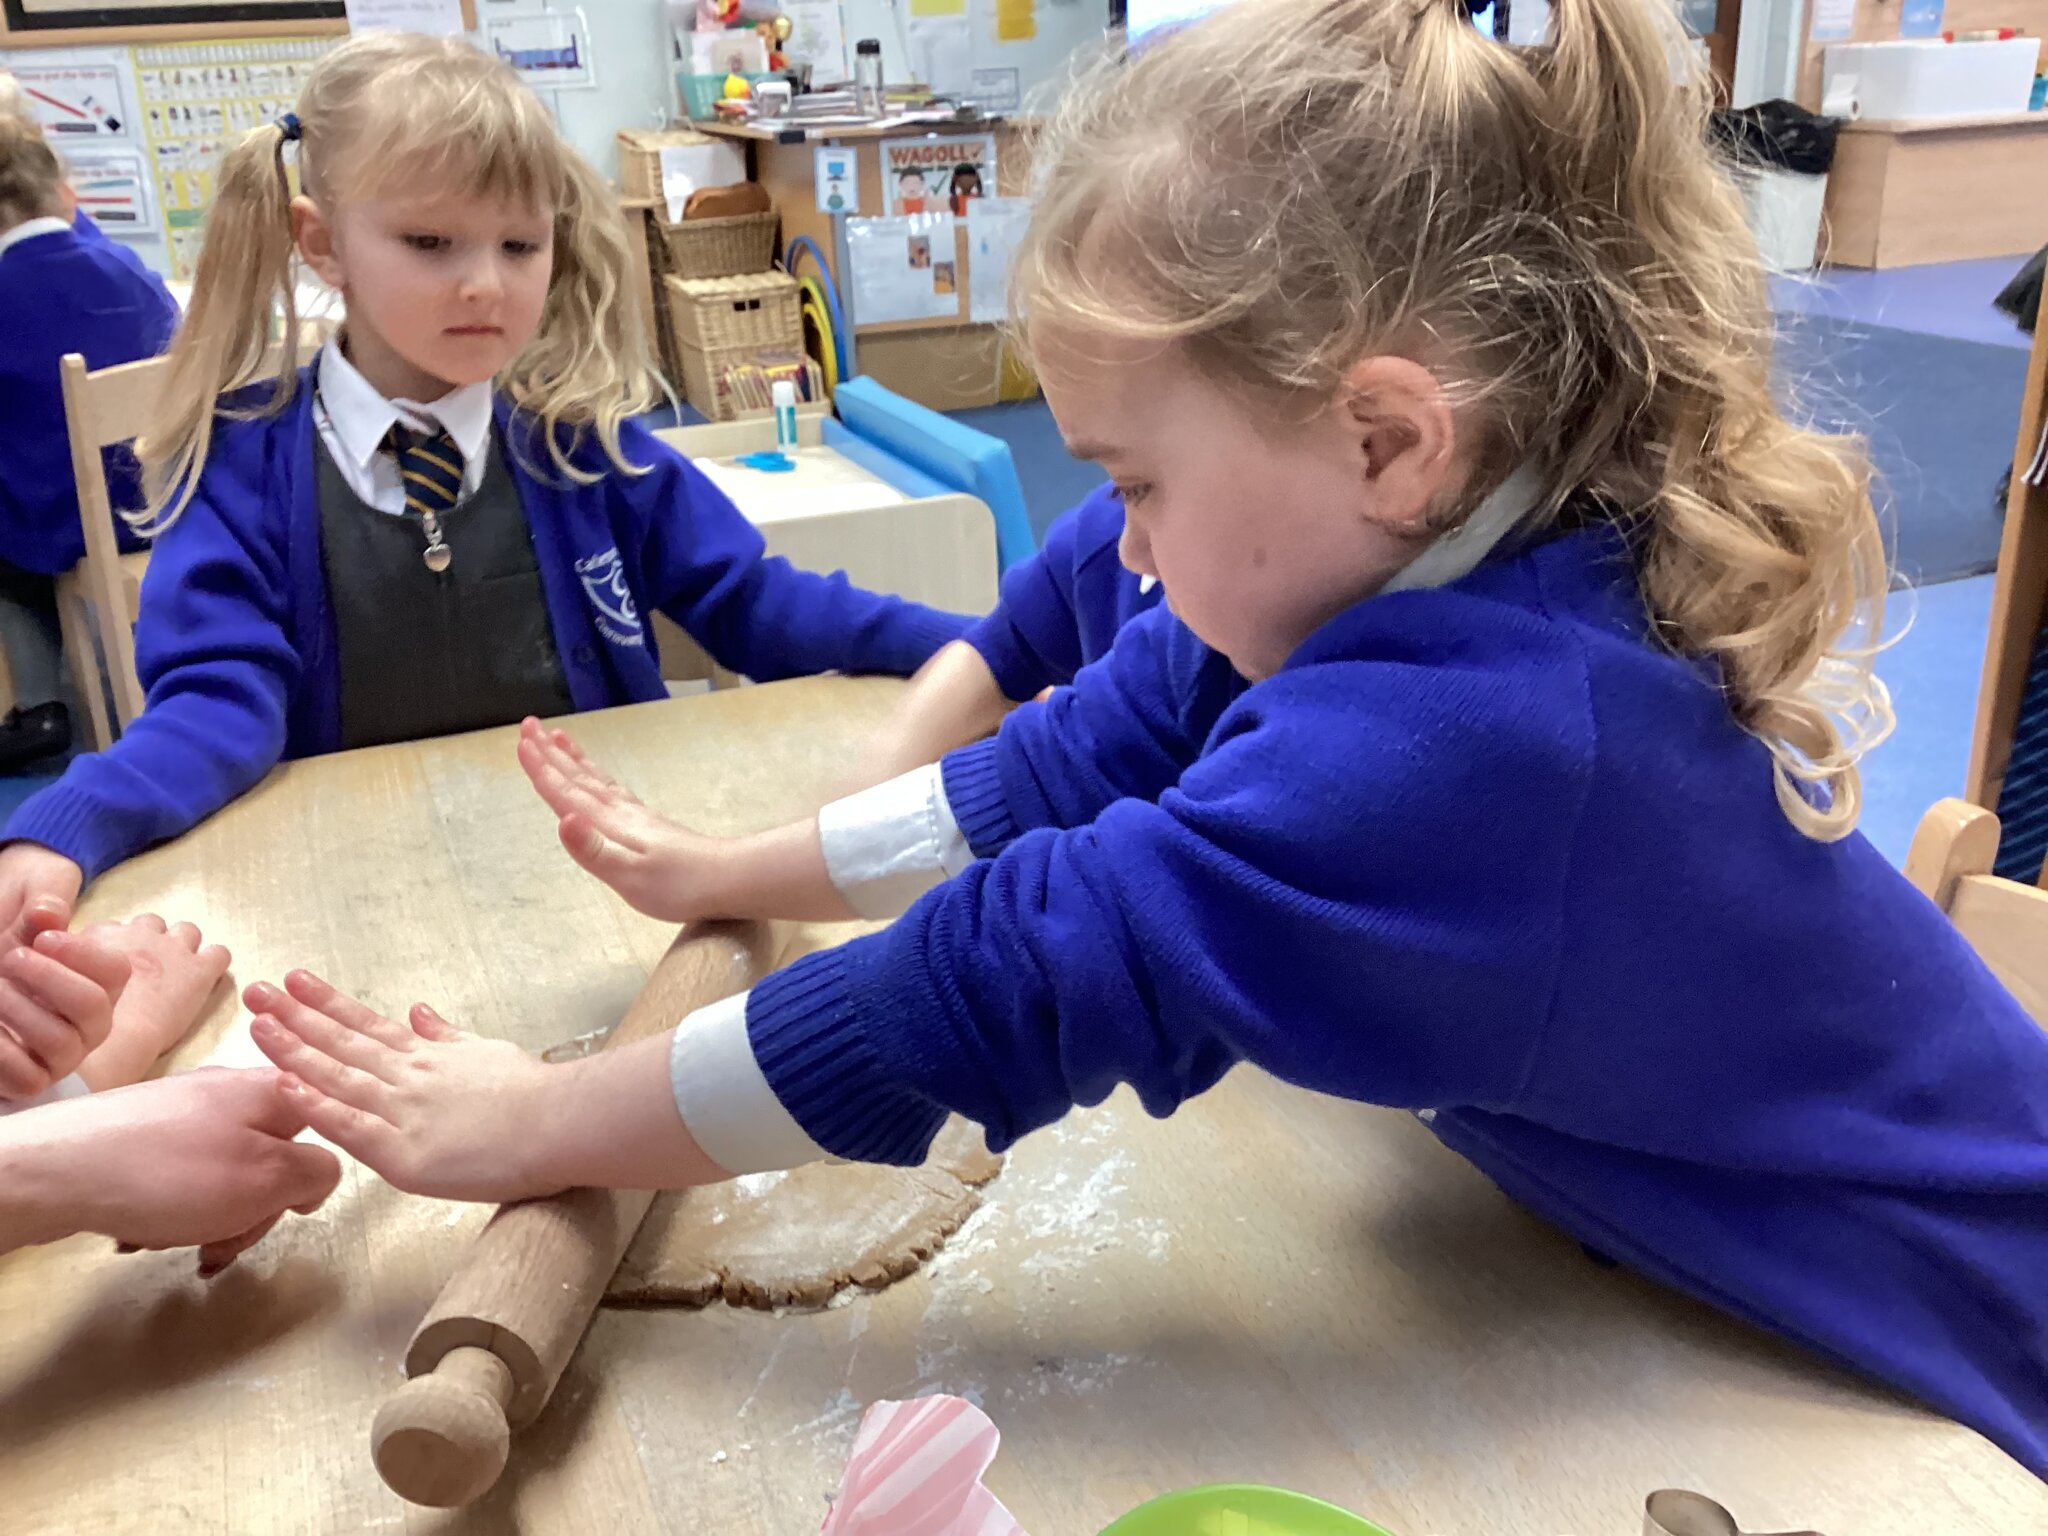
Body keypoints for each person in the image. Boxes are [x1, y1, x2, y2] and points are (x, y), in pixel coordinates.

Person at [245, 0, 2048, 1479]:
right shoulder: (1392, 564)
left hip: (1964, 1348)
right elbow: (1055, 770)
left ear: (1385, 438)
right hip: (1709, 1283)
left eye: (1134, 480)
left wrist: (541, 1123)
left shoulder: (1480, 737)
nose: (1108, 544)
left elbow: (1012, 973)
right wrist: (740, 875)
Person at [0, 31, 972, 939]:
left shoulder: (580, 446)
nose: (485, 286)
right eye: (430, 244)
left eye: (519, 246)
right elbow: (216, 698)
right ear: (321, 242)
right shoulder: (243, 468)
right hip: (353, 896)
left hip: (596, 884)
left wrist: (988, 653)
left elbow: (755, 602)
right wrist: (72, 821)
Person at [0, 108, 179, 771]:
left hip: (60, 526)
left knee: (8, 555)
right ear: (65, 195)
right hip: (155, 501)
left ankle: (41, 702)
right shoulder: (125, 266)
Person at [848, 483, 1190, 788]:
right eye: (1123, 488)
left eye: (1137, 488)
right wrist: (851, 813)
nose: (1130, 553)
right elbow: (1004, 648)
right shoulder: (1100, 536)